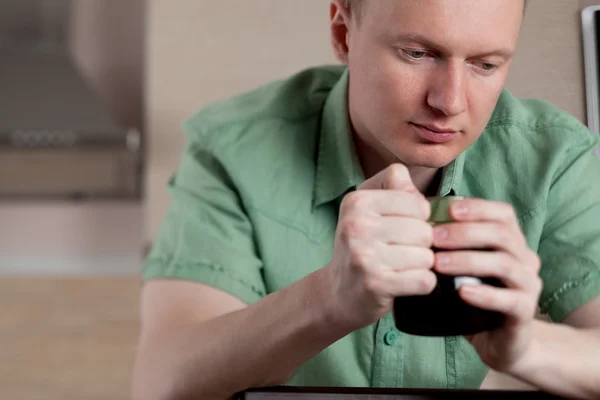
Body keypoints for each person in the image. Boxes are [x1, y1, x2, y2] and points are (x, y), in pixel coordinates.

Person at [131, 1, 600, 399]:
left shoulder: (554, 159)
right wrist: (329, 299)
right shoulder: (231, 149)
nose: (451, 101)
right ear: (342, 32)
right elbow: (162, 381)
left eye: (486, 65)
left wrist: (526, 350)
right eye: (417, 53)